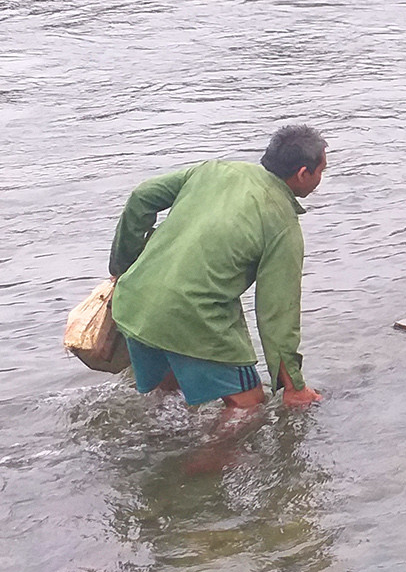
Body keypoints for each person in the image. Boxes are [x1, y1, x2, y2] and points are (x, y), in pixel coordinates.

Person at [107, 125, 328, 412]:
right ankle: (199, 459)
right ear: (302, 174)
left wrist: (122, 268)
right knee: (248, 406)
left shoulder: (213, 170)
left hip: (134, 302)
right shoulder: (282, 224)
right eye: (321, 170)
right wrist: (294, 387)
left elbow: (142, 197)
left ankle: (158, 454)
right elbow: (277, 314)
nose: (321, 178)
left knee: (168, 397)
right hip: (190, 315)